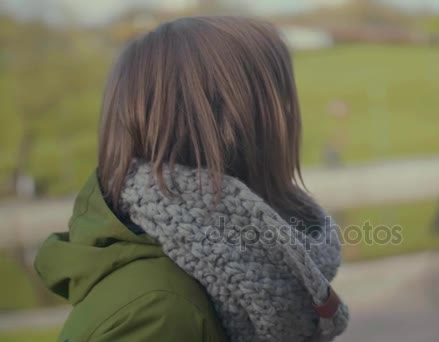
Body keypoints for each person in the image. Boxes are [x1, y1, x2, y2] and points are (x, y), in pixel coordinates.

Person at [34, 17, 348, 342]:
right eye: (278, 102)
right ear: (235, 128)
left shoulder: (218, 275)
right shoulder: (160, 314)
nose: (289, 120)